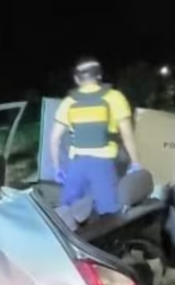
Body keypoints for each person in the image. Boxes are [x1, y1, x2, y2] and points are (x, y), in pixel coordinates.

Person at [48, 58, 141, 216]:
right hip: (103, 164)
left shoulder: (69, 102)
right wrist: (136, 162)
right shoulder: (115, 98)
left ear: (77, 79)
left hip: (76, 165)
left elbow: (54, 139)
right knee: (109, 214)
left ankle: (68, 239)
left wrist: (57, 168)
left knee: (67, 211)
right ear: (99, 76)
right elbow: (127, 134)